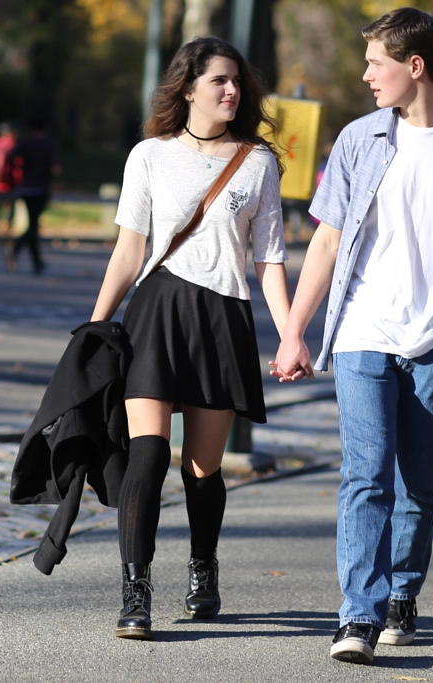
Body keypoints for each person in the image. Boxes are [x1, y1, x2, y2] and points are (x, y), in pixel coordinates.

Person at [271, 8, 433, 665]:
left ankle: (402, 595)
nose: (365, 76)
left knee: (419, 478)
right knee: (365, 472)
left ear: (416, 66)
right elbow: (327, 238)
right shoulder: (359, 140)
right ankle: (357, 615)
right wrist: (295, 330)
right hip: (363, 328)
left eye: (376, 63)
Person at [88, 36, 291, 641]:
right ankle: (135, 588)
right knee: (147, 454)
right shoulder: (149, 155)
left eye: (237, 82)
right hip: (158, 310)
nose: (232, 92)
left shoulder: (257, 163)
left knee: (203, 469)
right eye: (219, 82)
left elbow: (270, 259)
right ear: (188, 88)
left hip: (222, 319)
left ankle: (203, 571)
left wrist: (290, 337)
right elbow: (130, 249)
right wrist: (98, 326)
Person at [4, 114, 61, 274]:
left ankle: (37, 262)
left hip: (26, 187)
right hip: (41, 188)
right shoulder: (50, 143)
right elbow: (56, 167)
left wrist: (22, 170)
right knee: (33, 225)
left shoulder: (25, 142)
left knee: (33, 225)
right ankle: (16, 248)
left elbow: (10, 159)